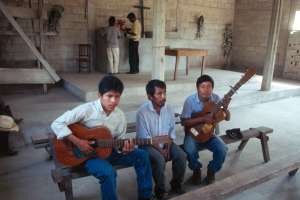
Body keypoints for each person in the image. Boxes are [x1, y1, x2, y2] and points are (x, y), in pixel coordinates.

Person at [51, 76, 153, 200]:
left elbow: (119, 141)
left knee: (142, 155)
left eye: (117, 97)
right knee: (108, 172)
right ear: (100, 94)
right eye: (109, 96)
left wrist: (124, 149)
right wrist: (78, 142)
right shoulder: (86, 110)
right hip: (86, 157)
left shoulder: (120, 116)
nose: (113, 101)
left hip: (109, 152)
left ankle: (145, 196)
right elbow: (57, 123)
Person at [136, 80, 187, 200]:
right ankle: (160, 191)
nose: (163, 97)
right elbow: (145, 138)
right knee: (159, 160)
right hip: (147, 144)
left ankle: (176, 184)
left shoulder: (169, 109)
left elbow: (171, 132)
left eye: (164, 93)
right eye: (159, 94)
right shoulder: (142, 112)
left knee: (181, 156)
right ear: (150, 97)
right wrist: (161, 150)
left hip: (166, 142)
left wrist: (168, 147)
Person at [181, 75, 230, 185]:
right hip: (192, 133)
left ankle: (211, 171)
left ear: (212, 88)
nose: (206, 90)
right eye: (202, 87)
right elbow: (184, 122)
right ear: (197, 88)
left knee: (222, 149)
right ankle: (196, 170)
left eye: (209, 87)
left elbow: (226, 117)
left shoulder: (216, 98)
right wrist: (203, 118)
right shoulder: (190, 101)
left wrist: (225, 108)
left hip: (209, 133)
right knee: (189, 148)